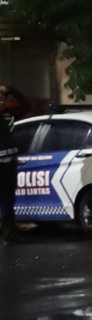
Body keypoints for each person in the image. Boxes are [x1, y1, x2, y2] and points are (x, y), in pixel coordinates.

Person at [0, 86, 18, 243]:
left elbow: (26, 105)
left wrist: (10, 90)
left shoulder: (8, 116)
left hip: (10, 165)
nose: (2, 102)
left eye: (3, 99)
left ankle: (8, 232)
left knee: (9, 201)